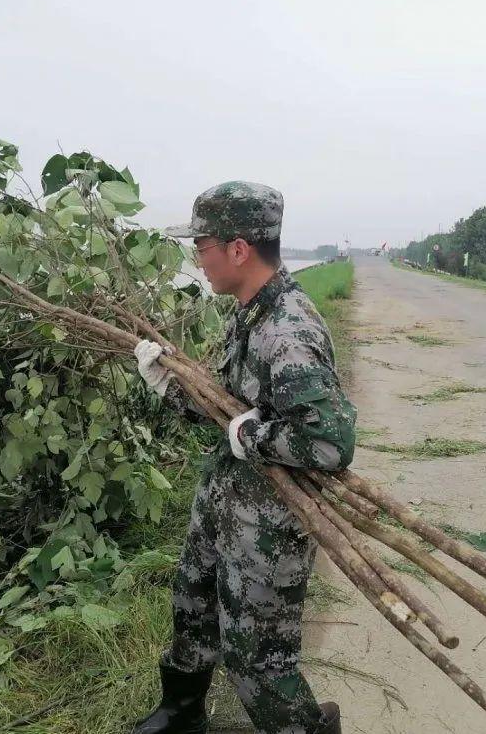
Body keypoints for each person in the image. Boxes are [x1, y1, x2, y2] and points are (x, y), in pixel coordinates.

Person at [131, 181, 357, 734]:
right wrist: (170, 386)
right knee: (193, 604)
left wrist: (252, 437)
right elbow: (228, 413)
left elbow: (328, 443)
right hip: (224, 499)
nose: (197, 260)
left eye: (202, 246)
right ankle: (182, 713)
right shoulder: (248, 312)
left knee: (255, 653)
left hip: (270, 523)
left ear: (238, 249)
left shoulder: (289, 329)